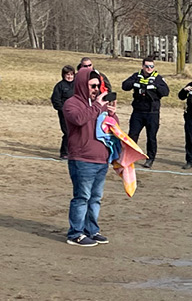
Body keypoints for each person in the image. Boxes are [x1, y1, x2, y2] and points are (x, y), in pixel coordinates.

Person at [62, 68, 117, 247]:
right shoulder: (72, 103)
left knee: (95, 198)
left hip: (101, 159)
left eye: (98, 86)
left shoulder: (98, 105)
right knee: (82, 197)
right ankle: (75, 233)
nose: (96, 90)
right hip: (82, 159)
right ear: (82, 85)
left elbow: (112, 129)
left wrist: (111, 114)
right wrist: (97, 106)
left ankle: (91, 230)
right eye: (93, 86)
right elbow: (78, 119)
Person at [121, 56, 170, 169]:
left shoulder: (157, 78)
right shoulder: (136, 76)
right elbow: (124, 86)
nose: (149, 68)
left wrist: (154, 86)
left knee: (151, 137)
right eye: (147, 66)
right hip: (138, 111)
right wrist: (135, 83)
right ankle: (129, 157)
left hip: (152, 112)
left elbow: (166, 92)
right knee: (133, 135)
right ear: (143, 66)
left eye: (151, 66)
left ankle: (150, 158)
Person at [50, 65, 76, 159]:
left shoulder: (77, 85)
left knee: (77, 133)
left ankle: (74, 151)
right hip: (64, 114)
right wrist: (63, 110)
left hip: (76, 113)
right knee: (67, 133)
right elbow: (55, 100)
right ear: (63, 75)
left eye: (71, 74)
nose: (69, 76)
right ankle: (64, 152)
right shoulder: (59, 86)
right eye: (67, 74)